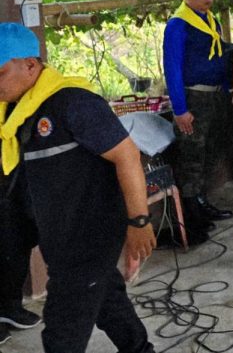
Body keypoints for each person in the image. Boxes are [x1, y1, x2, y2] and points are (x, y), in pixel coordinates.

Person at [0, 23, 157, 352]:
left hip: (88, 233)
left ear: (30, 65)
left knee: (62, 333)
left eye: (0, 73)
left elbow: (127, 156)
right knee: (106, 299)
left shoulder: (74, 103)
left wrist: (139, 221)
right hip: (57, 233)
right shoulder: (12, 109)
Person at [162, 0, 233, 242]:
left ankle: (202, 202)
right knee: (191, 156)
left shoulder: (209, 19)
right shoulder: (178, 25)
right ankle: (190, 217)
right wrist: (180, 109)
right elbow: (172, 68)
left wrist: (227, 89)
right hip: (193, 97)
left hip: (213, 96)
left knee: (209, 152)